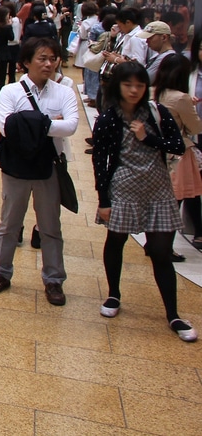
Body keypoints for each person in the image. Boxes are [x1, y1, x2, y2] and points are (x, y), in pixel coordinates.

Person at [93, 62, 196, 342]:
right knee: (116, 240)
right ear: (118, 86)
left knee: (161, 250)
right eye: (129, 85)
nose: (134, 90)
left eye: (140, 85)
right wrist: (104, 198)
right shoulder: (109, 118)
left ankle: (173, 314)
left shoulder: (157, 112)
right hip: (123, 187)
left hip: (158, 187)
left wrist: (148, 138)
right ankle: (113, 294)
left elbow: (178, 145)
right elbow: (99, 160)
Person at [0, 37, 79, 306]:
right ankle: (1, 273)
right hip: (16, 167)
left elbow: (71, 126)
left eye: (53, 59)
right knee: (9, 224)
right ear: (26, 62)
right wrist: (49, 123)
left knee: (50, 225)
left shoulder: (65, 92)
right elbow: (6, 126)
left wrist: (29, 123)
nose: (49, 64)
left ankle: (54, 279)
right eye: (42, 58)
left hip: (49, 166)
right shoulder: (10, 91)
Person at [154, 53, 202, 250]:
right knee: (177, 199)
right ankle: (164, 246)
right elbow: (195, 128)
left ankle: (154, 242)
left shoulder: (153, 92)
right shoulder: (181, 98)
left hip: (157, 149)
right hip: (179, 154)